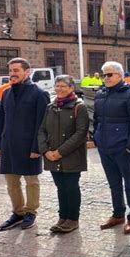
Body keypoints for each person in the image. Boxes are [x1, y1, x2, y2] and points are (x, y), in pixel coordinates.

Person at [0, 57, 49, 230]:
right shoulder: (7, 93)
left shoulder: (39, 94)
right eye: (10, 71)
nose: (12, 74)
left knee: (31, 181)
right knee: (12, 183)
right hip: (8, 145)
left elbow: (43, 124)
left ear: (27, 72)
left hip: (29, 147)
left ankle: (30, 212)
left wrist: (37, 148)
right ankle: (18, 213)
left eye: (16, 71)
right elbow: (1, 120)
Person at [94, 61, 130, 234]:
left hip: (122, 147)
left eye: (109, 75)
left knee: (129, 182)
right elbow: (96, 119)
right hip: (104, 145)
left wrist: (129, 146)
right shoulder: (100, 94)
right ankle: (118, 214)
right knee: (113, 182)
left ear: (119, 75)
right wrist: (97, 137)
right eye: (103, 74)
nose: (105, 78)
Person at [38, 75, 90, 233]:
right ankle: (63, 217)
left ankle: (73, 219)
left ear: (71, 88)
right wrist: (45, 151)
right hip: (52, 156)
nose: (59, 89)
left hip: (71, 156)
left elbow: (81, 133)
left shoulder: (79, 107)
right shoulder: (50, 106)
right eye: (57, 86)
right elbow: (42, 130)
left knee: (71, 187)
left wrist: (60, 152)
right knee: (60, 187)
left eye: (63, 86)